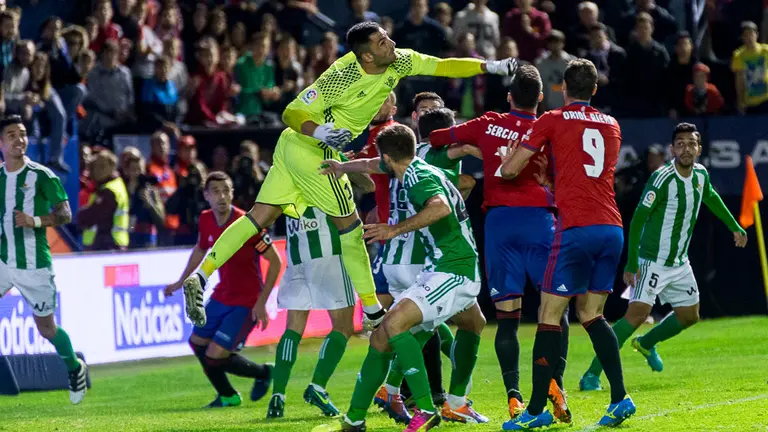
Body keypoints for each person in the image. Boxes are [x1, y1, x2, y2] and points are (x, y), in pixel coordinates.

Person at [180, 21, 519, 334]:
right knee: (351, 229)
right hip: (312, 149)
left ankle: (201, 273)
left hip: (289, 150)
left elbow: (443, 66)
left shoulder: (399, 61)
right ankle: (372, 310)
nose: (392, 43)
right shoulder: (341, 74)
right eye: (383, 42)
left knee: (258, 217)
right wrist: (323, 131)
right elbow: (290, 112)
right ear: (367, 55)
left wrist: (489, 66)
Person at [320, 124, 486, 431]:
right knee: (385, 337)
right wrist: (342, 166)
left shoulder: (418, 179)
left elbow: (439, 208)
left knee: (393, 324)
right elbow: (372, 164)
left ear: (388, 155)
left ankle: (425, 410)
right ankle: (354, 419)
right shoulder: (419, 165)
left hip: (454, 269)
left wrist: (393, 229)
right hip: (443, 266)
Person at [428, 64, 570, 423]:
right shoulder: (548, 126)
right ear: (539, 97)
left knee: (507, 316)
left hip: (500, 224)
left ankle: (514, 396)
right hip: (540, 220)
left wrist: (472, 146)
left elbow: (437, 139)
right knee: (554, 310)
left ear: (509, 97)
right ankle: (556, 383)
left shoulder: (487, 122)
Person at [500, 59, 636, 429]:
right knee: (592, 314)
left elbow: (511, 169)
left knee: (548, 315)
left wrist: (508, 165)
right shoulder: (612, 124)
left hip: (576, 227)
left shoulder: (552, 118)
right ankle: (620, 398)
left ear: (562, 87)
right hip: (611, 226)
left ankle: (534, 411)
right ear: (594, 89)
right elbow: (587, 169)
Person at [579, 123, 747, 390]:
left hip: (679, 262)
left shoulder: (701, 175)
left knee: (690, 315)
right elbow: (637, 220)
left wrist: (734, 226)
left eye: (691, 144)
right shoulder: (662, 178)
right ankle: (591, 374)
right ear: (672, 149)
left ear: (699, 148)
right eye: (680, 144)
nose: (686, 149)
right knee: (636, 315)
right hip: (652, 259)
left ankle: (646, 343)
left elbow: (711, 197)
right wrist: (632, 263)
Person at [368, 108, 479, 426]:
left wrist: (342, 166)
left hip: (400, 256)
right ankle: (440, 401)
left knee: (428, 326)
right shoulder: (436, 159)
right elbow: (459, 187)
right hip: (426, 257)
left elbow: (369, 166)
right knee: (432, 327)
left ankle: (392, 392)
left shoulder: (404, 162)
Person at [164, 171, 281, 408]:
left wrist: (261, 302)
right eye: (215, 191)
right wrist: (179, 282)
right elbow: (200, 249)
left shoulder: (247, 224)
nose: (222, 196)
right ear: (206, 196)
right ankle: (227, 394)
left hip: (246, 301)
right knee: (197, 342)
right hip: (221, 294)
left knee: (215, 355)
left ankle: (264, 373)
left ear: (232, 193)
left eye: (226, 190)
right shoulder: (206, 219)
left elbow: (276, 261)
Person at [0, 115, 87, 404]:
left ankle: (75, 368)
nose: (19, 139)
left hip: (34, 265)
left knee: (46, 328)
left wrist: (35, 220)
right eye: (11, 134)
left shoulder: (42, 175)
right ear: (1, 144)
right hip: (2, 261)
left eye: (22, 134)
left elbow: (65, 214)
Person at [266, 206, 357, 419]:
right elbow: (366, 184)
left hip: (297, 256)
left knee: (293, 330)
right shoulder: (326, 171)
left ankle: (278, 394)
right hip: (327, 254)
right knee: (343, 327)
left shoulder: (283, 174)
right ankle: (318, 386)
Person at [76, 149, 130, 251]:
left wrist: (80, 216)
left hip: (109, 246)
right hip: (111, 245)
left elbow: (90, 216)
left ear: (112, 167)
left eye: (102, 166)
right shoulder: (110, 186)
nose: (98, 170)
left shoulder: (109, 191)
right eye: (95, 167)